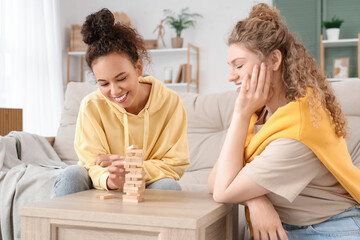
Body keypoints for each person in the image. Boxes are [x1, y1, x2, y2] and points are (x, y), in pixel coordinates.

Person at [208, 3, 360, 240]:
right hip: (287, 228)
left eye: (239, 65)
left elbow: (223, 190)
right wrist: (256, 199)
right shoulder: (260, 113)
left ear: (274, 60)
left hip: (331, 228)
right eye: (230, 67)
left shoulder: (300, 127)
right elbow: (216, 182)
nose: (231, 76)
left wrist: (239, 114)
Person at [52, 8, 189, 198]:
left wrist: (133, 168)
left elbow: (175, 162)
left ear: (138, 67)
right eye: (104, 83)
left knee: (168, 186)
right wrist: (111, 179)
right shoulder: (91, 106)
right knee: (72, 173)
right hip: (101, 184)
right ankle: (57, 227)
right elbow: (91, 162)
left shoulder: (170, 102)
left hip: (146, 182)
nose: (115, 91)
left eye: (122, 78)